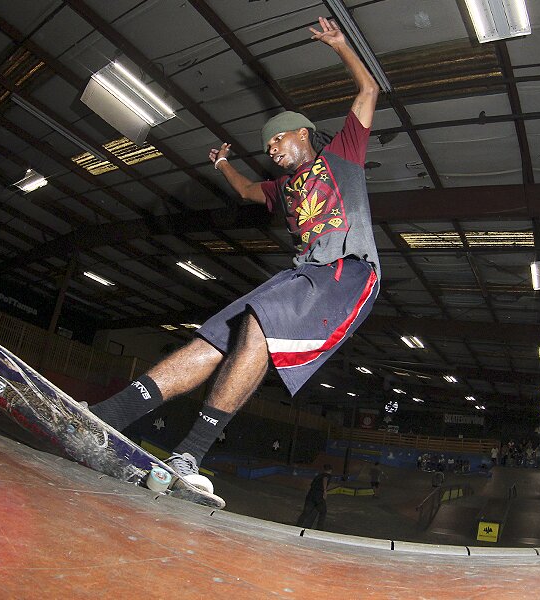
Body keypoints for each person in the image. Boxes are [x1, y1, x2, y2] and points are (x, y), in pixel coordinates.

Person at [89, 17, 381, 496]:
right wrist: (223, 163)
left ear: (302, 134)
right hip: (302, 273)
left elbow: (368, 90)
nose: (272, 150)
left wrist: (340, 45)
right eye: (268, 147)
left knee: (260, 326)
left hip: (346, 271)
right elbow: (247, 191)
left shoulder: (341, 156)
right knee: (213, 338)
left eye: (278, 141)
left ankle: (190, 454)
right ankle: (106, 416)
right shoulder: (283, 186)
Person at [296, 464, 333, 529]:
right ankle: (319, 528)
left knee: (307, 511)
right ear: (330, 470)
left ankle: (299, 525)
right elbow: (325, 479)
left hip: (311, 495)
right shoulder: (327, 475)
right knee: (323, 511)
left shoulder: (318, 476)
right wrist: (325, 491)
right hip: (318, 496)